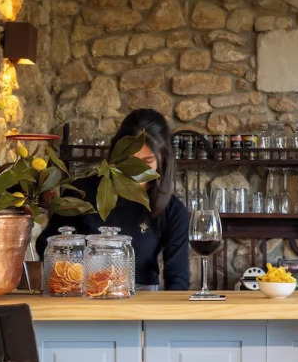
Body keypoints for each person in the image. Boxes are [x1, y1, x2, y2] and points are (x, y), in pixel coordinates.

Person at [37, 109, 189, 290]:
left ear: (163, 159)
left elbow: (178, 280)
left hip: (142, 299)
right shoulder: (82, 192)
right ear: (116, 154)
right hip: (83, 295)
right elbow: (45, 243)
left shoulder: (172, 210)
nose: (136, 170)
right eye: (129, 160)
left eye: (147, 162)